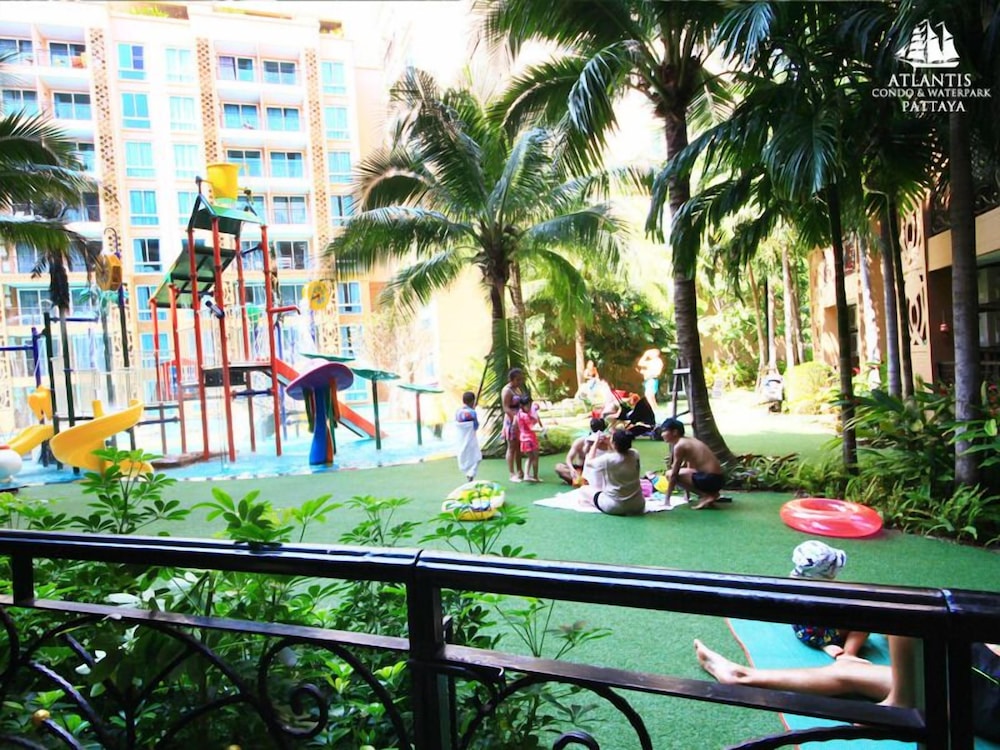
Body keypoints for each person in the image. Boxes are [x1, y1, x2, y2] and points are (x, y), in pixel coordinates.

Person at [693, 637, 1000, 742]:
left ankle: (900, 706)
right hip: (979, 692)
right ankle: (741, 676)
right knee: (850, 672)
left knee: (912, 613)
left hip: (992, 695)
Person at [789, 540, 869, 660]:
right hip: (820, 633)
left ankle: (824, 644)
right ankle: (848, 654)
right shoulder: (824, 591)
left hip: (802, 632)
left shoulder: (795, 579)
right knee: (865, 620)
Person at [657, 417, 727, 510]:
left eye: (664, 431)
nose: (662, 434)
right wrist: (687, 495)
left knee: (669, 474)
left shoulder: (680, 445)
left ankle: (707, 496)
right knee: (680, 472)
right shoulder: (689, 440)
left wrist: (666, 501)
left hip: (710, 479)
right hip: (718, 479)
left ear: (675, 432)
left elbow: (674, 474)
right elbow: (690, 466)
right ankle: (711, 494)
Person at [577, 429, 645, 515]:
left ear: (614, 443)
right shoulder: (635, 454)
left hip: (614, 506)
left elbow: (589, 463)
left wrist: (595, 443)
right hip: (638, 505)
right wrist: (610, 443)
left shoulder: (607, 460)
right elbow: (619, 453)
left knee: (584, 489)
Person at [554, 417, 608, 486]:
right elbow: (569, 458)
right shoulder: (580, 442)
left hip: (600, 467)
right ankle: (580, 480)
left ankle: (585, 481)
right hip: (582, 469)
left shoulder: (607, 440)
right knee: (559, 467)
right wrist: (572, 469)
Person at [501, 368, 527, 482]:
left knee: (519, 447)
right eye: (518, 379)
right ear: (511, 379)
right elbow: (506, 408)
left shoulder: (517, 389)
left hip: (520, 418)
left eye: (521, 379)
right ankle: (512, 473)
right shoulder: (507, 390)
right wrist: (515, 419)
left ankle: (520, 470)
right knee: (511, 447)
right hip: (511, 420)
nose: (520, 381)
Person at [455, 390, 482, 482]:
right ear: (473, 401)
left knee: (467, 456)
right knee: (477, 457)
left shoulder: (458, 412)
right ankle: (471, 474)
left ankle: (469, 473)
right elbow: (476, 426)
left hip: (461, 439)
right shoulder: (472, 413)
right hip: (470, 438)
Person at [516, 395, 541, 483]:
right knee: (535, 457)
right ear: (522, 406)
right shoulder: (525, 416)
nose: (530, 407)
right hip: (530, 439)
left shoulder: (519, 414)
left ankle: (526, 475)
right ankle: (535, 476)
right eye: (528, 406)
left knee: (530, 458)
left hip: (523, 438)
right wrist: (541, 429)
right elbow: (532, 427)